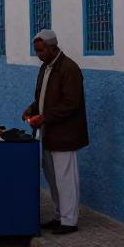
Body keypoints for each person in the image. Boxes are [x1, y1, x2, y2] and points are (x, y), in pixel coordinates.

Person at [22, 29, 89, 235]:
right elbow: (41, 98)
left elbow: (71, 103)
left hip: (65, 135)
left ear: (52, 47)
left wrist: (45, 117)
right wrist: (32, 110)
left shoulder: (70, 69)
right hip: (48, 133)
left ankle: (69, 221)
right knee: (53, 178)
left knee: (66, 178)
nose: (39, 54)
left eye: (41, 50)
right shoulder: (45, 68)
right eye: (37, 51)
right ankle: (58, 216)